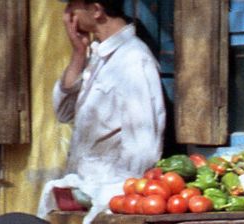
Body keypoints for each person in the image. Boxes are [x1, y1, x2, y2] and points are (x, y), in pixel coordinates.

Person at [53, 0, 165, 185]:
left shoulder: (133, 59)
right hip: (84, 186)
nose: (66, 15)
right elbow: (64, 113)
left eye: (72, 6)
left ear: (96, 10)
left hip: (110, 192)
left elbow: (143, 147)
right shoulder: (97, 55)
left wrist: (120, 194)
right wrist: (79, 54)